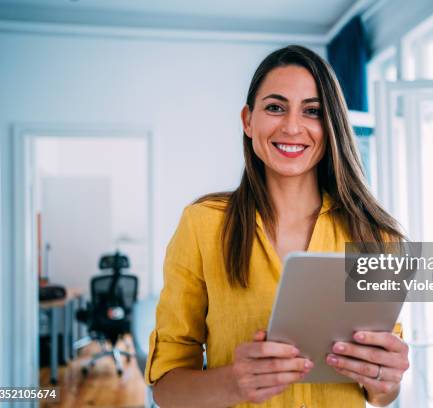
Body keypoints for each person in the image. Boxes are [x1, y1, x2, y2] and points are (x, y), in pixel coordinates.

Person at [145, 45, 409, 407]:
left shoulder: (377, 238)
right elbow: (165, 388)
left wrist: (385, 378)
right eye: (275, 107)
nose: (292, 126)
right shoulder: (202, 226)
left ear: (331, 126)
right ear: (248, 120)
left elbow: (381, 395)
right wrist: (233, 384)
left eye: (312, 111)